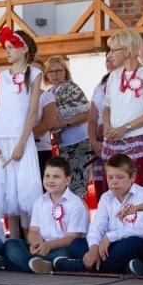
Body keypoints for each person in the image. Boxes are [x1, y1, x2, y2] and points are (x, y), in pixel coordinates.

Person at [53, 154, 143, 275]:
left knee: (134, 243)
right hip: (113, 249)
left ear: (132, 177)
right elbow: (97, 225)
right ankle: (125, 268)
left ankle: (81, 266)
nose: (114, 182)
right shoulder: (106, 197)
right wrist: (94, 247)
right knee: (77, 243)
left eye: (120, 177)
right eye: (110, 177)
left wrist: (110, 236)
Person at [0, 28, 43, 238]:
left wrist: (21, 143)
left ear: (23, 48)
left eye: (11, 47)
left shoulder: (35, 74)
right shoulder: (2, 76)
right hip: (1, 137)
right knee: (6, 188)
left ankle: (32, 240)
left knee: (25, 188)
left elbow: (33, 111)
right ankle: (14, 240)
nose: (7, 51)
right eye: (6, 48)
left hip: (21, 138)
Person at [0, 157, 88, 273]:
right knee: (11, 243)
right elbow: (34, 231)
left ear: (67, 180)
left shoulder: (76, 203)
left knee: (62, 255)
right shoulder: (39, 202)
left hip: (62, 248)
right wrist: (37, 244)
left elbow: (72, 238)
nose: (50, 180)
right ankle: (41, 265)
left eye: (56, 177)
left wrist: (48, 245)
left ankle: (13, 264)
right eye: (47, 176)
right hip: (43, 247)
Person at [101, 29, 143, 200]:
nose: (111, 55)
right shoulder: (113, 76)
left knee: (141, 188)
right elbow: (106, 108)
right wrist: (106, 125)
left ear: (127, 51)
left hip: (139, 139)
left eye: (114, 50)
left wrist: (126, 127)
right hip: (114, 140)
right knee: (115, 189)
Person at [44, 56, 91, 198]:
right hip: (64, 145)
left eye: (58, 70)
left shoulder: (71, 88)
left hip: (78, 143)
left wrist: (66, 123)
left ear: (65, 72)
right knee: (66, 188)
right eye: (51, 72)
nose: (54, 74)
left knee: (77, 187)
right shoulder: (49, 92)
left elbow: (87, 113)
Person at [87, 50, 116, 201]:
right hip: (100, 138)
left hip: (117, 135)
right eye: (107, 60)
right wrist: (94, 142)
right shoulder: (99, 87)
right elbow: (92, 118)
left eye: (113, 58)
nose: (110, 62)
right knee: (102, 187)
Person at [30, 58, 56, 181]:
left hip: (40, 148)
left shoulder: (47, 96)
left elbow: (47, 123)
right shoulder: (15, 96)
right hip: (19, 149)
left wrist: (25, 139)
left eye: (38, 72)